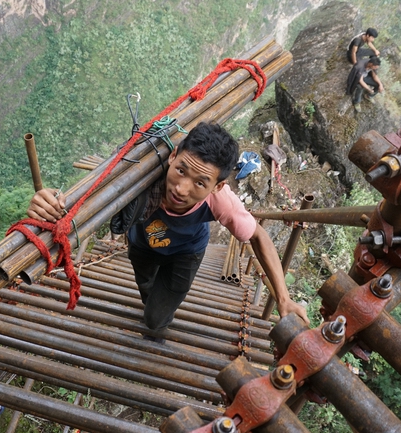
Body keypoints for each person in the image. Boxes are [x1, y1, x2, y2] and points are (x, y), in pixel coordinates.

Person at [27, 123, 308, 339]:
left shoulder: (222, 201)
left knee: (154, 319)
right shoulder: (141, 174)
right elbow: (91, 192)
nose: (181, 189)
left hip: (187, 253)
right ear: (173, 155)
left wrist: (283, 299)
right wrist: (52, 200)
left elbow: (258, 236)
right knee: (146, 287)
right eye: (182, 170)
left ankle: (157, 325)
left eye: (200, 183)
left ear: (217, 186)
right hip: (141, 245)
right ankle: (153, 302)